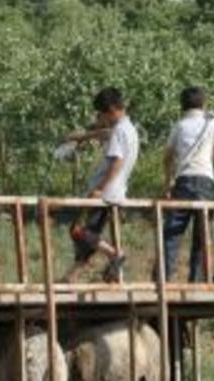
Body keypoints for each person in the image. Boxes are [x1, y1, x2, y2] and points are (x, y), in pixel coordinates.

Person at [62, 87, 139, 283]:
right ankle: (70, 278)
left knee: (77, 230)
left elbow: (117, 161)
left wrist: (100, 189)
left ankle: (115, 254)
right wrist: (83, 137)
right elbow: (106, 133)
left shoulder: (120, 131)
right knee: (90, 238)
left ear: (111, 110)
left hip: (105, 193)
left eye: (101, 115)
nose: (100, 119)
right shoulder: (127, 128)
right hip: (114, 191)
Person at [160, 86, 214, 282]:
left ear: (182, 105)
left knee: (172, 234)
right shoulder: (211, 124)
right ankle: (197, 280)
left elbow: (167, 158)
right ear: (203, 103)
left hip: (183, 181)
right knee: (202, 236)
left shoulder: (180, 126)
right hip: (206, 183)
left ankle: (164, 278)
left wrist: (168, 184)